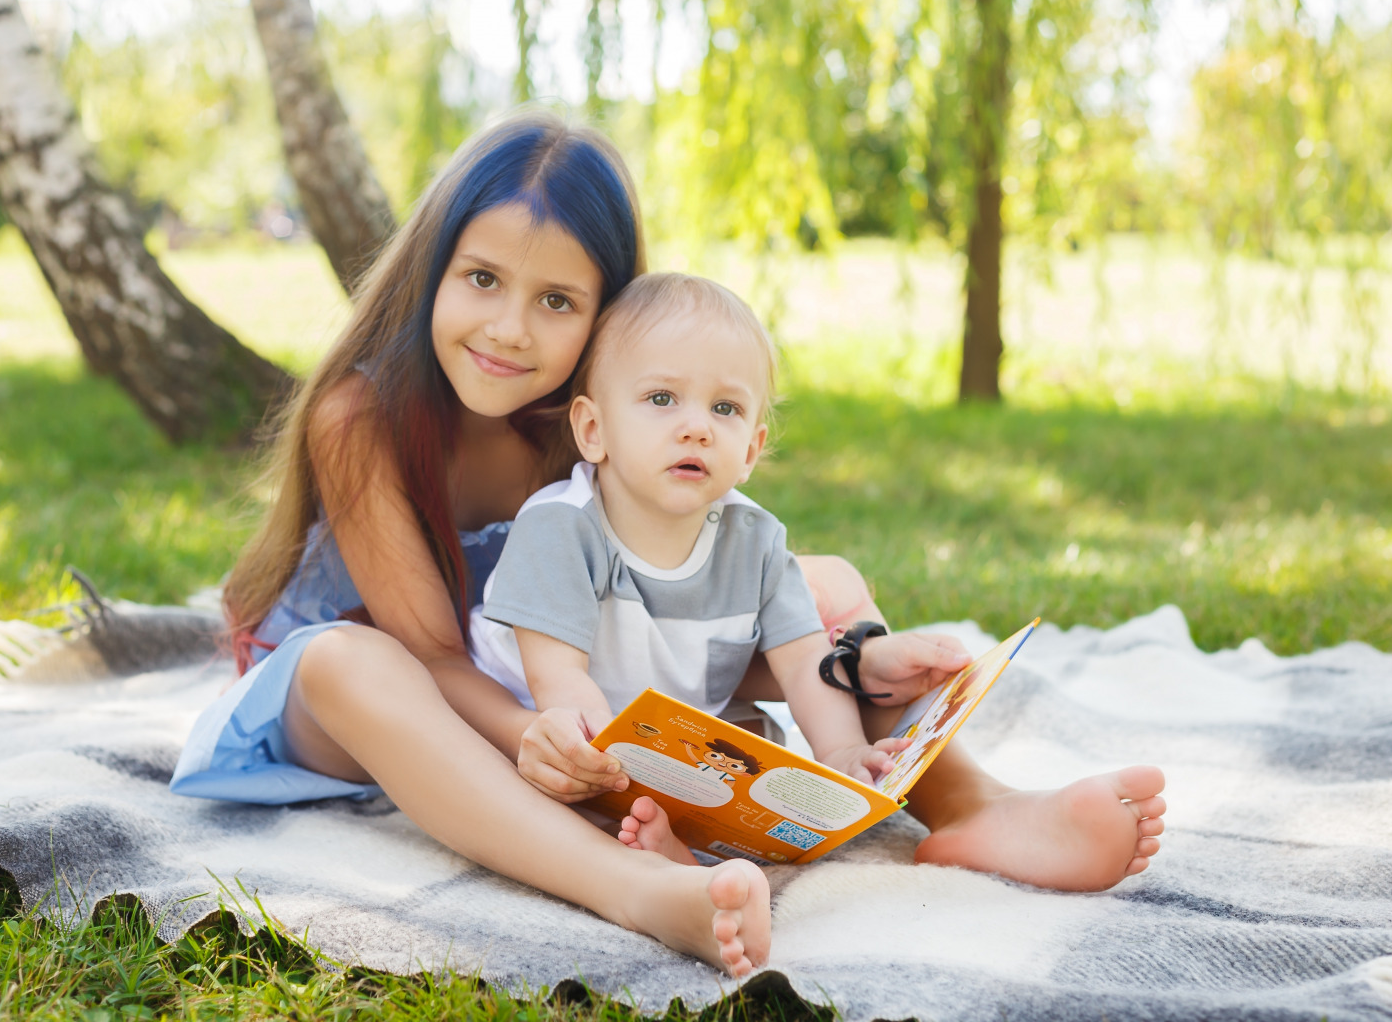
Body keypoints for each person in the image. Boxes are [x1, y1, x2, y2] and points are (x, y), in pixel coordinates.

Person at [169, 111, 1166, 981]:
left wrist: (854, 653)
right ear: (435, 270)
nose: (510, 329)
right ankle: (630, 884)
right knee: (361, 663)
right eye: (481, 279)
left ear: (604, 321)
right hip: (378, 701)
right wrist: (542, 742)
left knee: (819, 584)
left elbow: (728, 574)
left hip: (549, 687)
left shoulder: (588, 422)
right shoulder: (366, 418)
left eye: (557, 302)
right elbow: (433, 655)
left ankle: (968, 803)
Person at [466, 273, 908, 814]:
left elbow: (802, 661)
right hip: (539, 712)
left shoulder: (757, 542)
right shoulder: (561, 527)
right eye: (662, 398)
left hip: (667, 712)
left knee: (763, 748)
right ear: (593, 429)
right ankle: (640, 833)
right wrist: (607, 764)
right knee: (543, 787)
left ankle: (673, 824)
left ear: (750, 450)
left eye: (726, 409)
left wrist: (841, 750)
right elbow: (561, 681)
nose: (697, 427)